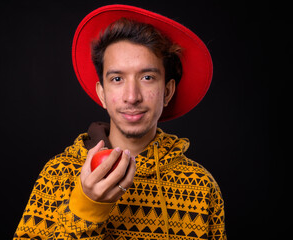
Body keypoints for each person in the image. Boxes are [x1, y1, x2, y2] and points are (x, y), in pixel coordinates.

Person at [13, 4, 226, 240]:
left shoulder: (202, 187)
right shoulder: (57, 175)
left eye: (147, 77)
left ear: (167, 92)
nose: (132, 96)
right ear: (102, 94)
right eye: (117, 78)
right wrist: (88, 207)